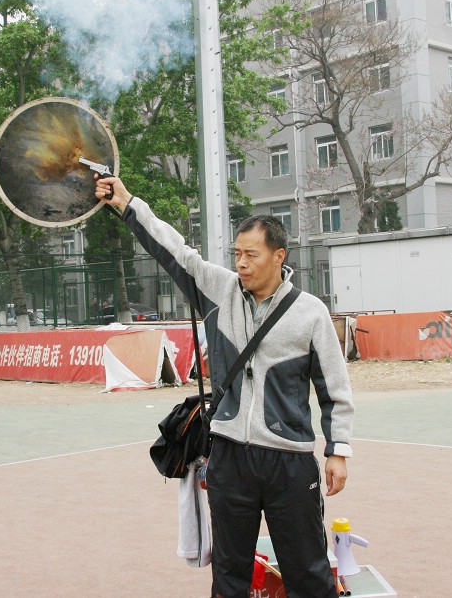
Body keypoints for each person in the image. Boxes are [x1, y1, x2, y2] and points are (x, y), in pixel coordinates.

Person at [95, 176, 354, 598]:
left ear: (279, 256)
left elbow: (335, 389)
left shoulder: (311, 313)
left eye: (252, 254)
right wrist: (126, 202)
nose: (242, 263)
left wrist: (338, 450)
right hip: (230, 455)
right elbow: (175, 250)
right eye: (237, 254)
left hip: (289, 460)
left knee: (307, 571)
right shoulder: (219, 291)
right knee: (230, 572)